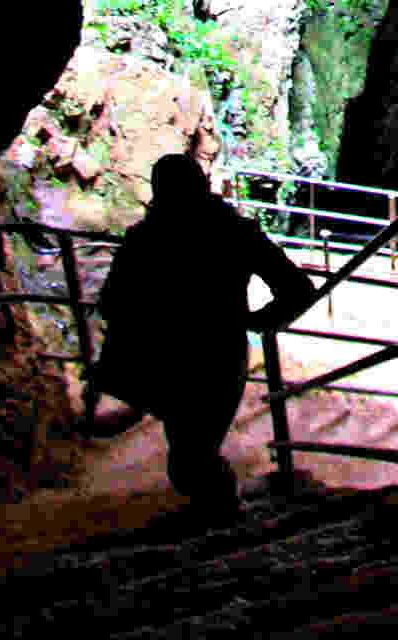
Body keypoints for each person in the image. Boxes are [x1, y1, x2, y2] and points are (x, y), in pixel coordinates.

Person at [91, 154, 317, 516]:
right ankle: (225, 512)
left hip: (172, 360)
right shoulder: (235, 232)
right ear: (204, 185)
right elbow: (298, 289)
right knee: (191, 454)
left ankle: (227, 513)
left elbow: (113, 304)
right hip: (219, 358)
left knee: (189, 457)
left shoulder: (147, 238)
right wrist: (257, 321)